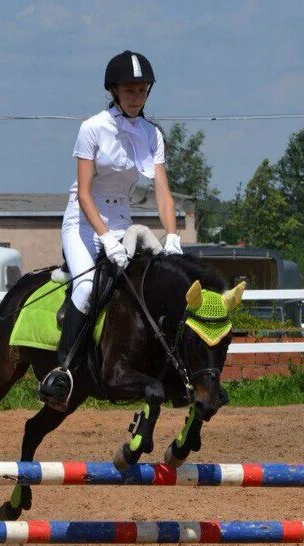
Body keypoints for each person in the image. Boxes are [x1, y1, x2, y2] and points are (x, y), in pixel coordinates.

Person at [38, 50, 183, 409]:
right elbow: (84, 194)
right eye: (130, 90)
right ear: (114, 91)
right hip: (83, 219)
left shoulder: (152, 134)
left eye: (142, 90)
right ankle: (62, 372)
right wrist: (103, 237)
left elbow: (162, 190)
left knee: (146, 282)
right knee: (87, 286)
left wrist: (173, 234)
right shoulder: (92, 128)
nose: (137, 97)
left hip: (122, 219)